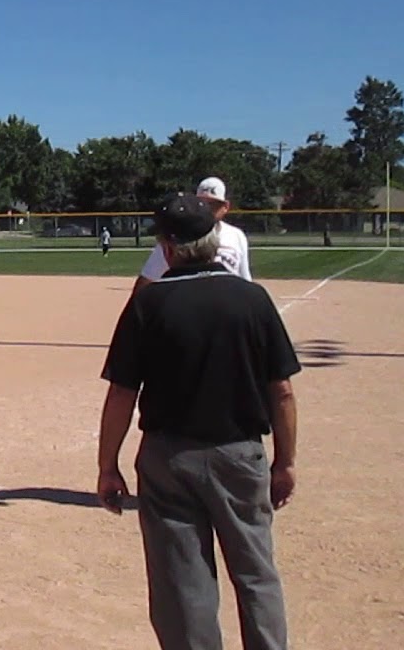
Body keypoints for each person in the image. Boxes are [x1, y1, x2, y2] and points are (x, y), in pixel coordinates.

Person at [97, 192, 301, 650]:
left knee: (182, 586)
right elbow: (282, 390)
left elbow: (121, 394)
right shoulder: (252, 299)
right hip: (240, 454)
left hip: (169, 458)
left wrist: (107, 466)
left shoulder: (147, 306)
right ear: (215, 240)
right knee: (255, 573)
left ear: (166, 248)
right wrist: (285, 461)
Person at [133, 176, 251, 293]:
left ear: (225, 207)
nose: (207, 209)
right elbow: (147, 278)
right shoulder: (177, 236)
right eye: (202, 203)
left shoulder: (236, 236)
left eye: (213, 205)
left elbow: (245, 279)